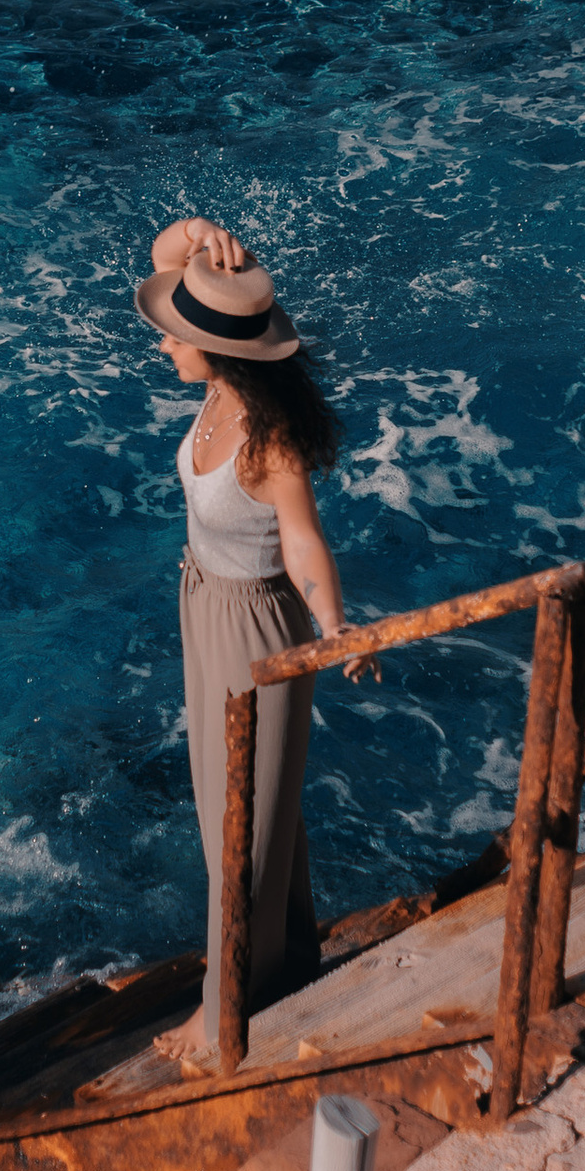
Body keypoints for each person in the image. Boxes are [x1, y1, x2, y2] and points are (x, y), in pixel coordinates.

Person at [136, 216, 364, 1059]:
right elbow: (166, 264)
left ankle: (222, 1009)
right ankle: (284, 963)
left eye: (177, 339)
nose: (164, 348)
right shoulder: (219, 393)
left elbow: (303, 543)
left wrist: (335, 626)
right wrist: (201, 233)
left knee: (243, 822)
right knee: (241, 810)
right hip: (205, 610)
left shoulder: (266, 445)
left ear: (217, 350)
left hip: (257, 628)